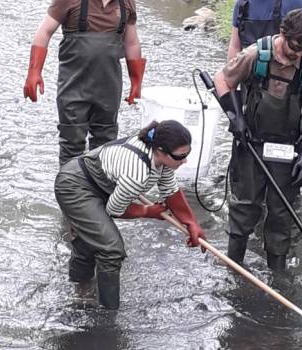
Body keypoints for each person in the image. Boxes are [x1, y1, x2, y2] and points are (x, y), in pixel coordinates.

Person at [213, 9, 302, 271]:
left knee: (281, 212)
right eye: (294, 46)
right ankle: (235, 268)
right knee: (245, 206)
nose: (297, 53)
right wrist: (236, 120)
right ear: (283, 34)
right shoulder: (255, 54)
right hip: (251, 142)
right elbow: (222, 79)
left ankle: (278, 274)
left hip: (287, 148)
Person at [54, 120, 206, 309]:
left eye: (187, 154)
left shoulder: (163, 160)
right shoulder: (138, 173)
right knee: (111, 249)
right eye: (180, 157)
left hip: (99, 181)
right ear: (160, 150)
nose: (184, 161)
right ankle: (107, 314)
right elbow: (114, 210)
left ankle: (80, 290)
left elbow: (170, 190)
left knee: (92, 240)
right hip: (75, 186)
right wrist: (146, 211)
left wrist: (191, 223)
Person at [23, 0, 146, 167]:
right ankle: (68, 189)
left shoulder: (127, 4)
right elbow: (44, 31)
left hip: (109, 89)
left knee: (106, 146)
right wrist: (34, 72)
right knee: (71, 144)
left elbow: (131, 42)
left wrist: (136, 82)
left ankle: (99, 188)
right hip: (73, 87)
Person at [227, 0, 302, 61]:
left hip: (282, 73)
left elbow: (300, 46)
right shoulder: (243, 4)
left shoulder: (295, 3)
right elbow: (235, 46)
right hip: (249, 73)